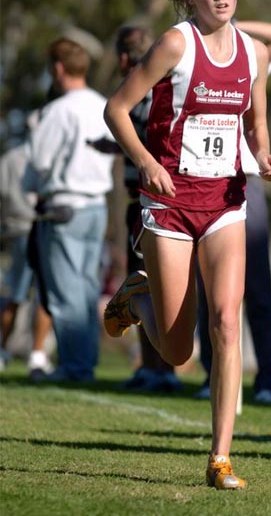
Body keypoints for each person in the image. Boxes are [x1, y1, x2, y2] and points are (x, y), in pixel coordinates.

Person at [103, 0, 271, 490]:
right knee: (179, 350)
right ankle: (139, 294)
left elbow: (255, 126)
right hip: (171, 204)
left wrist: (266, 156)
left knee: (227, 322)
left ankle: (220, 458)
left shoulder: (253, 54)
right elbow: (117, 108)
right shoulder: (176, 45)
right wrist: (147, 161)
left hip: (227, 202)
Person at [195, 20, 271, 405]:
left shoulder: (250, 54)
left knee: (259, 290)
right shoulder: (193, 52)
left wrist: (229, 25)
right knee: (210, 291)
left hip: (245, 186)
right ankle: (210, 375)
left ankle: (266, 379)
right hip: (206, 183)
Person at [90, 25, 182, 392]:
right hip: (160, 203)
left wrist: (117, 146)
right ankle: (157, 368)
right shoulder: (163, 87)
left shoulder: (143, 90)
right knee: (155, 288)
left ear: (125, 58)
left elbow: (144, 135)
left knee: (144, 288)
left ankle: (159, 369)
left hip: (149, 205)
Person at [23, 38, 115, 383]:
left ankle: (74, 367)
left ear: (58, 69)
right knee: (87, 290)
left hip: (64, 206)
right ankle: (84, 363)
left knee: (65, 293)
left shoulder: (59, 110)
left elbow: (39, 161)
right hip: (96, 207)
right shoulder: (102, 104)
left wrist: (29, 188)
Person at [0, 111, 54, 378]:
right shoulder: (44, 155)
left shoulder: (9, 158)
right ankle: (37, 353)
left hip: (17, 228)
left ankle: (4, 350)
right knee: (40, 294)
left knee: (17, 294)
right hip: (36, 225)